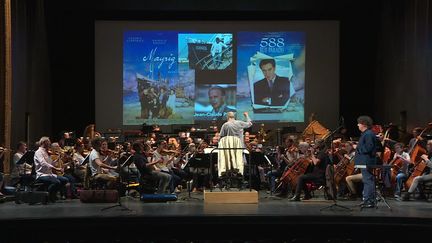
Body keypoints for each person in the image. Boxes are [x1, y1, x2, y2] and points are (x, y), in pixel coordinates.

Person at [354, 115, 378, 208]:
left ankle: (369, 200)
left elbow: (369, 147)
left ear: (363, 124)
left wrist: (357, 147)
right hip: (364, 161)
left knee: (368, 180)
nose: (358, 125)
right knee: (366, 180)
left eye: (359, 123)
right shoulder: (366, 134)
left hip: (366, 161)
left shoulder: (368, 134)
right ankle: (367, 199)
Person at [218, 112, 252, 177]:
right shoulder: (239, 123)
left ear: (227, 117)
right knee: (239, 163)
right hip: (240, 148)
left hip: (229, 149)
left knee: (230, 163)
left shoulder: (225, 125)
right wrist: (246, 115)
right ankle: (240, 178)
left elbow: (221, 138)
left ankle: (229, 179)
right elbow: (250, 123)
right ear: (234, 117)